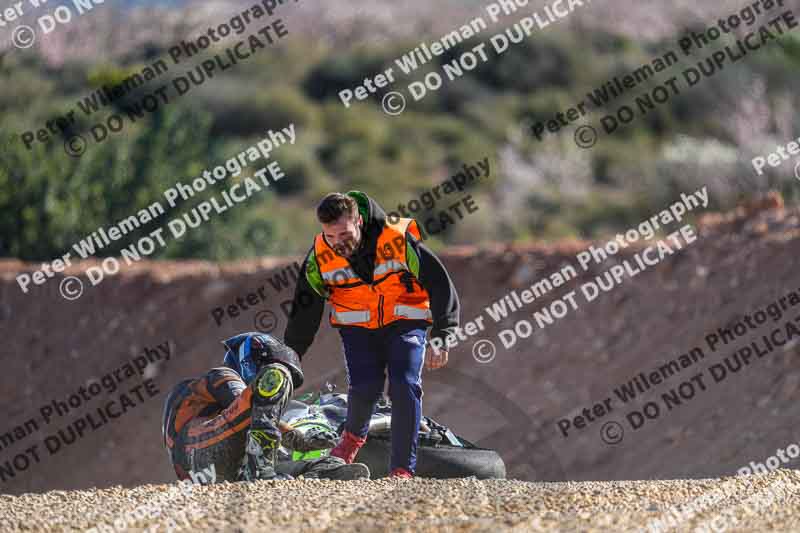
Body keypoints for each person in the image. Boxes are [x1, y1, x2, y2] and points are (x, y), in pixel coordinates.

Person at [283, 191, 460, 478]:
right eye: (330, 236)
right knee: (365, 387)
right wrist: (290, 357)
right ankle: (351, 442)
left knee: (404, 385)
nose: (338, 243)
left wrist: (442, 335)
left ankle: (402, 469)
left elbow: (439, 284)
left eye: (344, 233)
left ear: (359, 221)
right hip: (358, 330)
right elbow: (305, 312)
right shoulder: (319, 256)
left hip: (406, 321)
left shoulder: (395, 238)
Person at [161, 332, 370, 483]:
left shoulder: (227, 404)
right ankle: (262, 472)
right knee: (277, 374)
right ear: (251, 359)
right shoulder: (221, 375)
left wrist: (304, 443)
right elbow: (252, 409)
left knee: (325, 463)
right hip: (198, 449)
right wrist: (297, 438)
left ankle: (313, 480)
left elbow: (252, 414)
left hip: (212, 469)